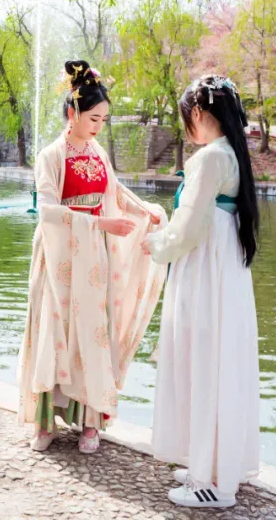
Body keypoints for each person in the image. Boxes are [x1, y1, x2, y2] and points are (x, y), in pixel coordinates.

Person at [18, 61, 167, 454]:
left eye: (104, 119)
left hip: (93, 257)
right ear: (73, 112)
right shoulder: (50, 156)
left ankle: (90, 422)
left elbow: (113, 193)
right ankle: (45, 420)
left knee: (93, 332)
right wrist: (101, 224)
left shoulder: (98, 152)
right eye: (94, 118)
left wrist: (145, 212)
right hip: (58, 254)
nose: (99, 126)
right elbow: (48, 210)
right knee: (56, 330)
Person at [141, 75, 261, 509]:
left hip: (206, 270)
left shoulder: (211, 158)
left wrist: (154, 244)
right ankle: (213, 464)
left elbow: (189, 228)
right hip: (222, 270)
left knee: (205, 359)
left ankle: (213, 483)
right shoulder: (232, 153)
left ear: (196, 112)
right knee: (218, 361)